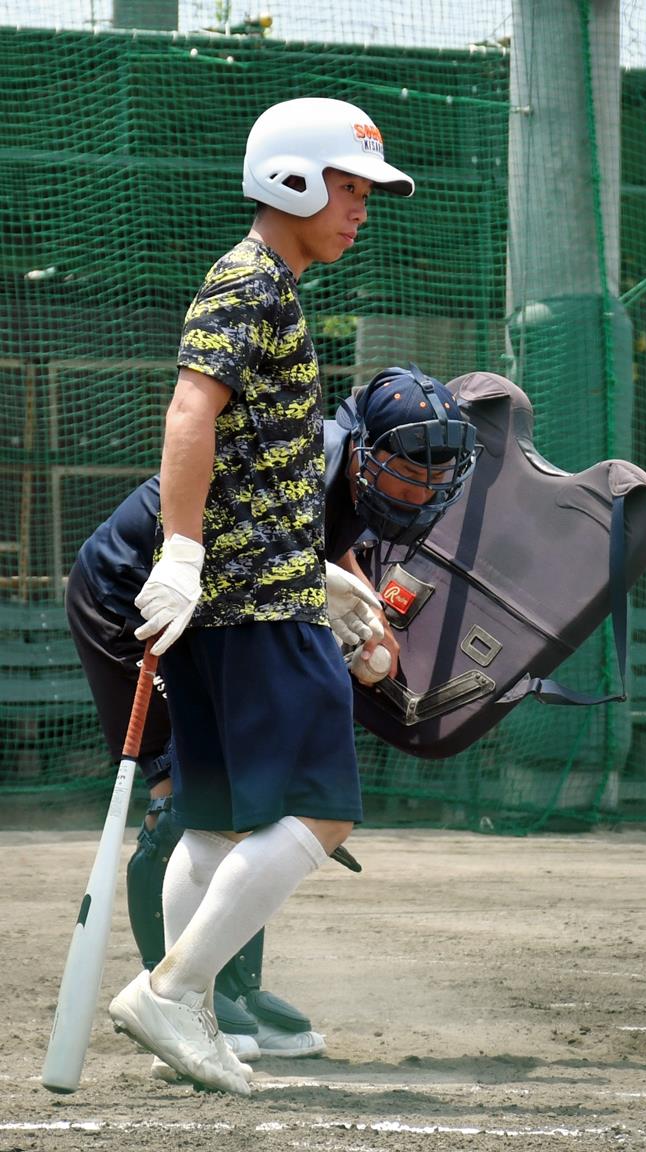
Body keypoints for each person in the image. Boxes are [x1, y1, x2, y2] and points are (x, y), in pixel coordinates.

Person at [101, 93, 470, 1097]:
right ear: (295, 180)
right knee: (322, 810)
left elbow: (257, 462)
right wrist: (180, 550)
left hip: (247, 597)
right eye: (349, 187)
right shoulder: (250, 284)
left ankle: (186, 1009)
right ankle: (175, 991)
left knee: (217, 821)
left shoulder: (268, 286)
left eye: (364, 191)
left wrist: (319, 570)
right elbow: (190, 409)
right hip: (252, 604)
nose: (361, 208)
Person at [66, 363, 476, 1076]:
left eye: (437, 476)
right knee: (178, 804)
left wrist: (361, 612)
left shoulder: (349, 477)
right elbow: (237, 536)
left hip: (224, 605)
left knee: (239, 814)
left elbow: (321, 538)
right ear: (363, 450)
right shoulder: (307, 458)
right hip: (131, 596)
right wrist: (324, 587)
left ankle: (227, 989)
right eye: (409, 470)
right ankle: (181, 995)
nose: (422, 490)